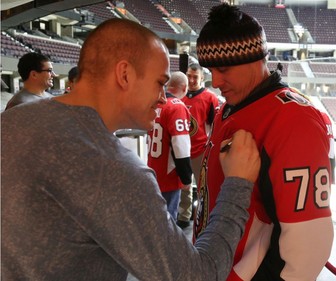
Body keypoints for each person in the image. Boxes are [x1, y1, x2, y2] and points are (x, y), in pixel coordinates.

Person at [1, 18, 261, 281]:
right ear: (124, 74)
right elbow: (196, 276)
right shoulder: (112, 169)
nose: (163, 96)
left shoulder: (11, 121)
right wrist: (238, 184)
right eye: (160, 82)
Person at [193, 4, 333, 281]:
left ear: (255, 58)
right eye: (210, 70)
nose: (215, 80)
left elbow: (308, 247)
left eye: (223, 69)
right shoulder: (231, 107)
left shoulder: (294, 119)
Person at [177, 63, 219, 229]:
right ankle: (183, 217)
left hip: (200, 150)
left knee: (204, 188)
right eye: (189, 76)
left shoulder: (210, 98)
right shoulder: (180, 95)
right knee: (183, 186)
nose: (192, 80)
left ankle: (205, 218)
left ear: (202, 78)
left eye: (195, 77)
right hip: (181, 151)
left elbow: (215, 125)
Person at [147, 71, 193, 221]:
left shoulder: (155, 102)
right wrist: (186, 177)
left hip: (153, 170)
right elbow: (180, 146)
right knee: (168, 222)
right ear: (185, 88)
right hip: (169, 176)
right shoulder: (177, 107)